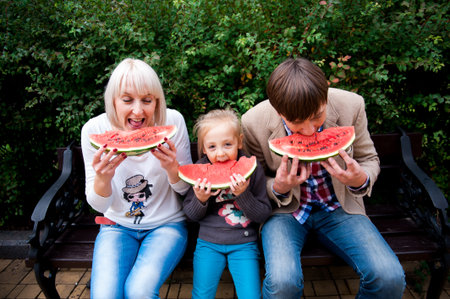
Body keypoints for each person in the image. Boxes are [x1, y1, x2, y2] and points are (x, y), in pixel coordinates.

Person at [241, 57, 405, 299]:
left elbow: (369, 158)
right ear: (278, 111)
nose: (309, 130)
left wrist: (360, 179)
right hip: (286, 213)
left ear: (326, 97)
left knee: (389, 278)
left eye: (317, 116)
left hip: (340, 208)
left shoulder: (352, 105)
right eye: (296, 123)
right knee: (282, 284)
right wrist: (278, 187)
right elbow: (255, 181)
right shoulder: (252, 122)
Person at [80, 58, 192, 299]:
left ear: (157, 101)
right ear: (113, 100)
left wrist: (173, 169)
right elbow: (98, 205)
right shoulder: (93, 130)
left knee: (139, 292)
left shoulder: (173, 121)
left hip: (167, 225)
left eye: (147, 100)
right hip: (116, 227)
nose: (138, 111)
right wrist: (103, 178)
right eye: (128, 100)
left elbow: (186, 191)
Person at [182, 109, 272, 299]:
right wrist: (200, 199)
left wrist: (243, 194)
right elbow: (190, 215)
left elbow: (263, 213)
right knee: (201, 295)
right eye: (212, 147)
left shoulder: (253, 170)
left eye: (228, 144)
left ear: (239, 141)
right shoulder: (201, 170)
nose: (221, 153)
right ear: (203, 148)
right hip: (208, 244)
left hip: (244, 244)